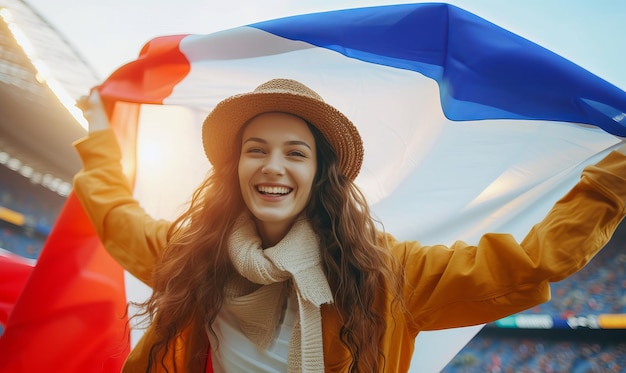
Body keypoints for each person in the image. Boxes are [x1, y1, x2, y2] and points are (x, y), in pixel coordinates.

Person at [74, 78, 626, 373]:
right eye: (255, 150)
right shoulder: (189, 255)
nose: (273, 166)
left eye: (296, 153)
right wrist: (99, 132)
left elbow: (536, 259)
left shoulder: (387, 274)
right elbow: (115, 213)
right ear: (235, 167)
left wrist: (616, 176)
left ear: (319, 174)